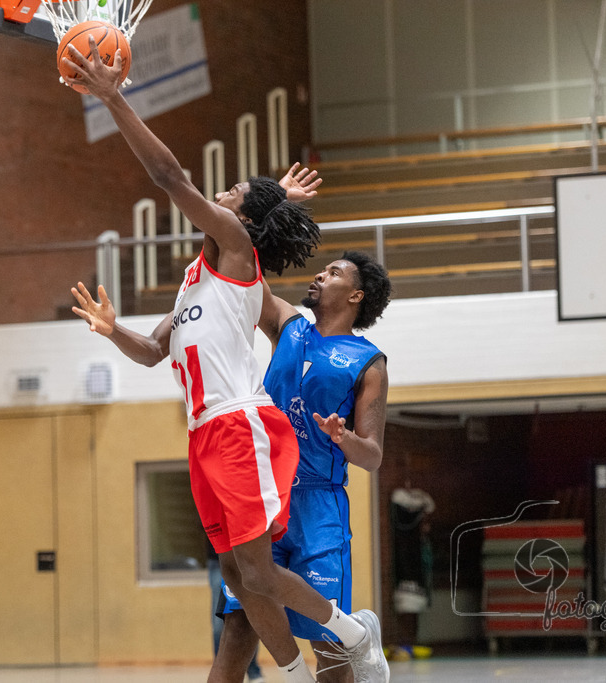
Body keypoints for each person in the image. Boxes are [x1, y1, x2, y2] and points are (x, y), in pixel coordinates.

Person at [63, 39, 389, 683]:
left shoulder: (238, 248)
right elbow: (156, 352)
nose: (223, 191)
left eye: (235, 190)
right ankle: (295, 672)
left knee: (258, 572)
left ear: (240, 216)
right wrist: (111, 331)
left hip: (241, 425)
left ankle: (353, 634)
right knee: (240, 576)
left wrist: (111, 96)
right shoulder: (195, 278)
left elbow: (169, 178)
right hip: (202, 432)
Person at [213, 252, 392, 683]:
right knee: (238, 628)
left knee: (329, 651)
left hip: (320, 507)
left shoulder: (368, 362)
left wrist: (344, 438)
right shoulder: (288, 327)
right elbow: (244, 273)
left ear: (355, 294)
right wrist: (269, 213)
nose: (319, 274)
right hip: (265, 498)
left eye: (333, 273)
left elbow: (373, 456)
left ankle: (355, 638)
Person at [208, 542, 265, 683]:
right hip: (220, 557)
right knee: (221, 625)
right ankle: (223, 668)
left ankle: (253, 671)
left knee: (246, 620)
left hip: (246, 555)